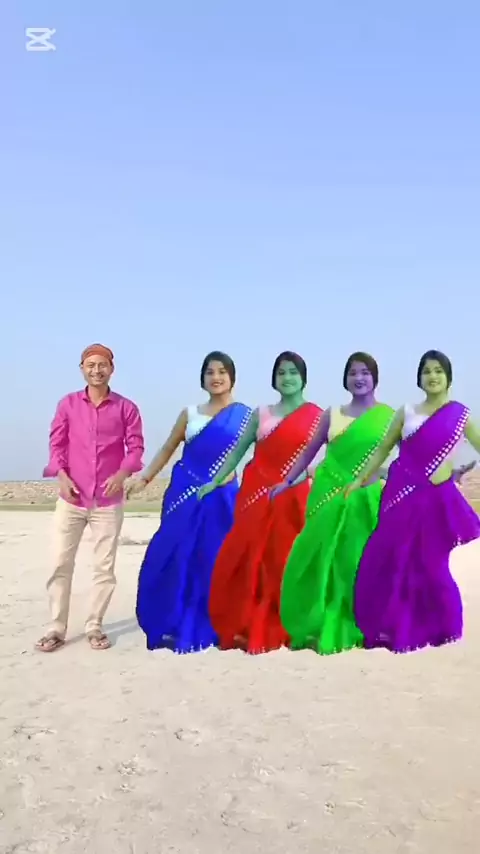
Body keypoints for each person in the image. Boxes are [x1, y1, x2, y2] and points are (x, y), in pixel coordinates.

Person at [347, 349, 480, 652]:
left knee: (432, 565)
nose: (432, 376)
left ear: (448, 377)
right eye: (427, 371)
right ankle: (388, 628)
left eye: (438, 371)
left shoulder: (460, 415)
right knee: (385, 559)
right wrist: (360, 478)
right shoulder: (406, 412)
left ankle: (445, 628)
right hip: (401, 497)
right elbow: (383, 449)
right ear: (419, 378)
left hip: (436, 501)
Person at [197, 351, 323, 653]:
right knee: (250, 558)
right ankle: (248, 621)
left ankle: (292, 621)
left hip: (294, 497)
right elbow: (238, 452)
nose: (287, 378)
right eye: (281, 373)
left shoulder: (317, 416)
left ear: (303, 378)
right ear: (274, 379)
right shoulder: (262, 414)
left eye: (293, 372)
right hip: (256, 495)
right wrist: (216, 480)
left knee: (288, 559)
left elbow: (321, 460)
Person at [272, 352, 395, 654]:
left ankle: (363, 622)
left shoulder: (390, 416)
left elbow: (410, 455)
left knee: (357, 560)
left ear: (375, 378)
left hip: (366, 498)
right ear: (345, 379)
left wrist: (438, 474)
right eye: (353, 373)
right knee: (321, 557)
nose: (359, 378)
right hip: (328, 494)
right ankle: (321, 619)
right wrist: (288, 480)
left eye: (365, 372)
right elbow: (308, 453)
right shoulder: (333, 414)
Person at [131, 351, 251, 653]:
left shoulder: (246, 416)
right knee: (175, 554)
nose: (216, 377)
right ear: (203, 378)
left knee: (216, 557)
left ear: (232, 377)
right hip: (185, 494)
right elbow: (167, 448)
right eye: (210, 372)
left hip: (223, 497)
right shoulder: (190, 414)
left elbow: (265, 452)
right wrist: (144, 478)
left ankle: (221, 622)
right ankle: (174, 620)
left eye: (222, 371)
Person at [36, 344, 145, 653]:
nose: (97, 370)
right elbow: (57, 444)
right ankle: (56, 627)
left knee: (103, 568)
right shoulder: (68, 404)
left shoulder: (126, 408)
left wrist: (122, 474)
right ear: (82, 368)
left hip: (107, 503)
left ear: (112, 369)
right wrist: (61, 474)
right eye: (91, 365)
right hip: (71, 499)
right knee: (60, 563)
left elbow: (136, 448)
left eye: (102, 365)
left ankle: (94, 625)